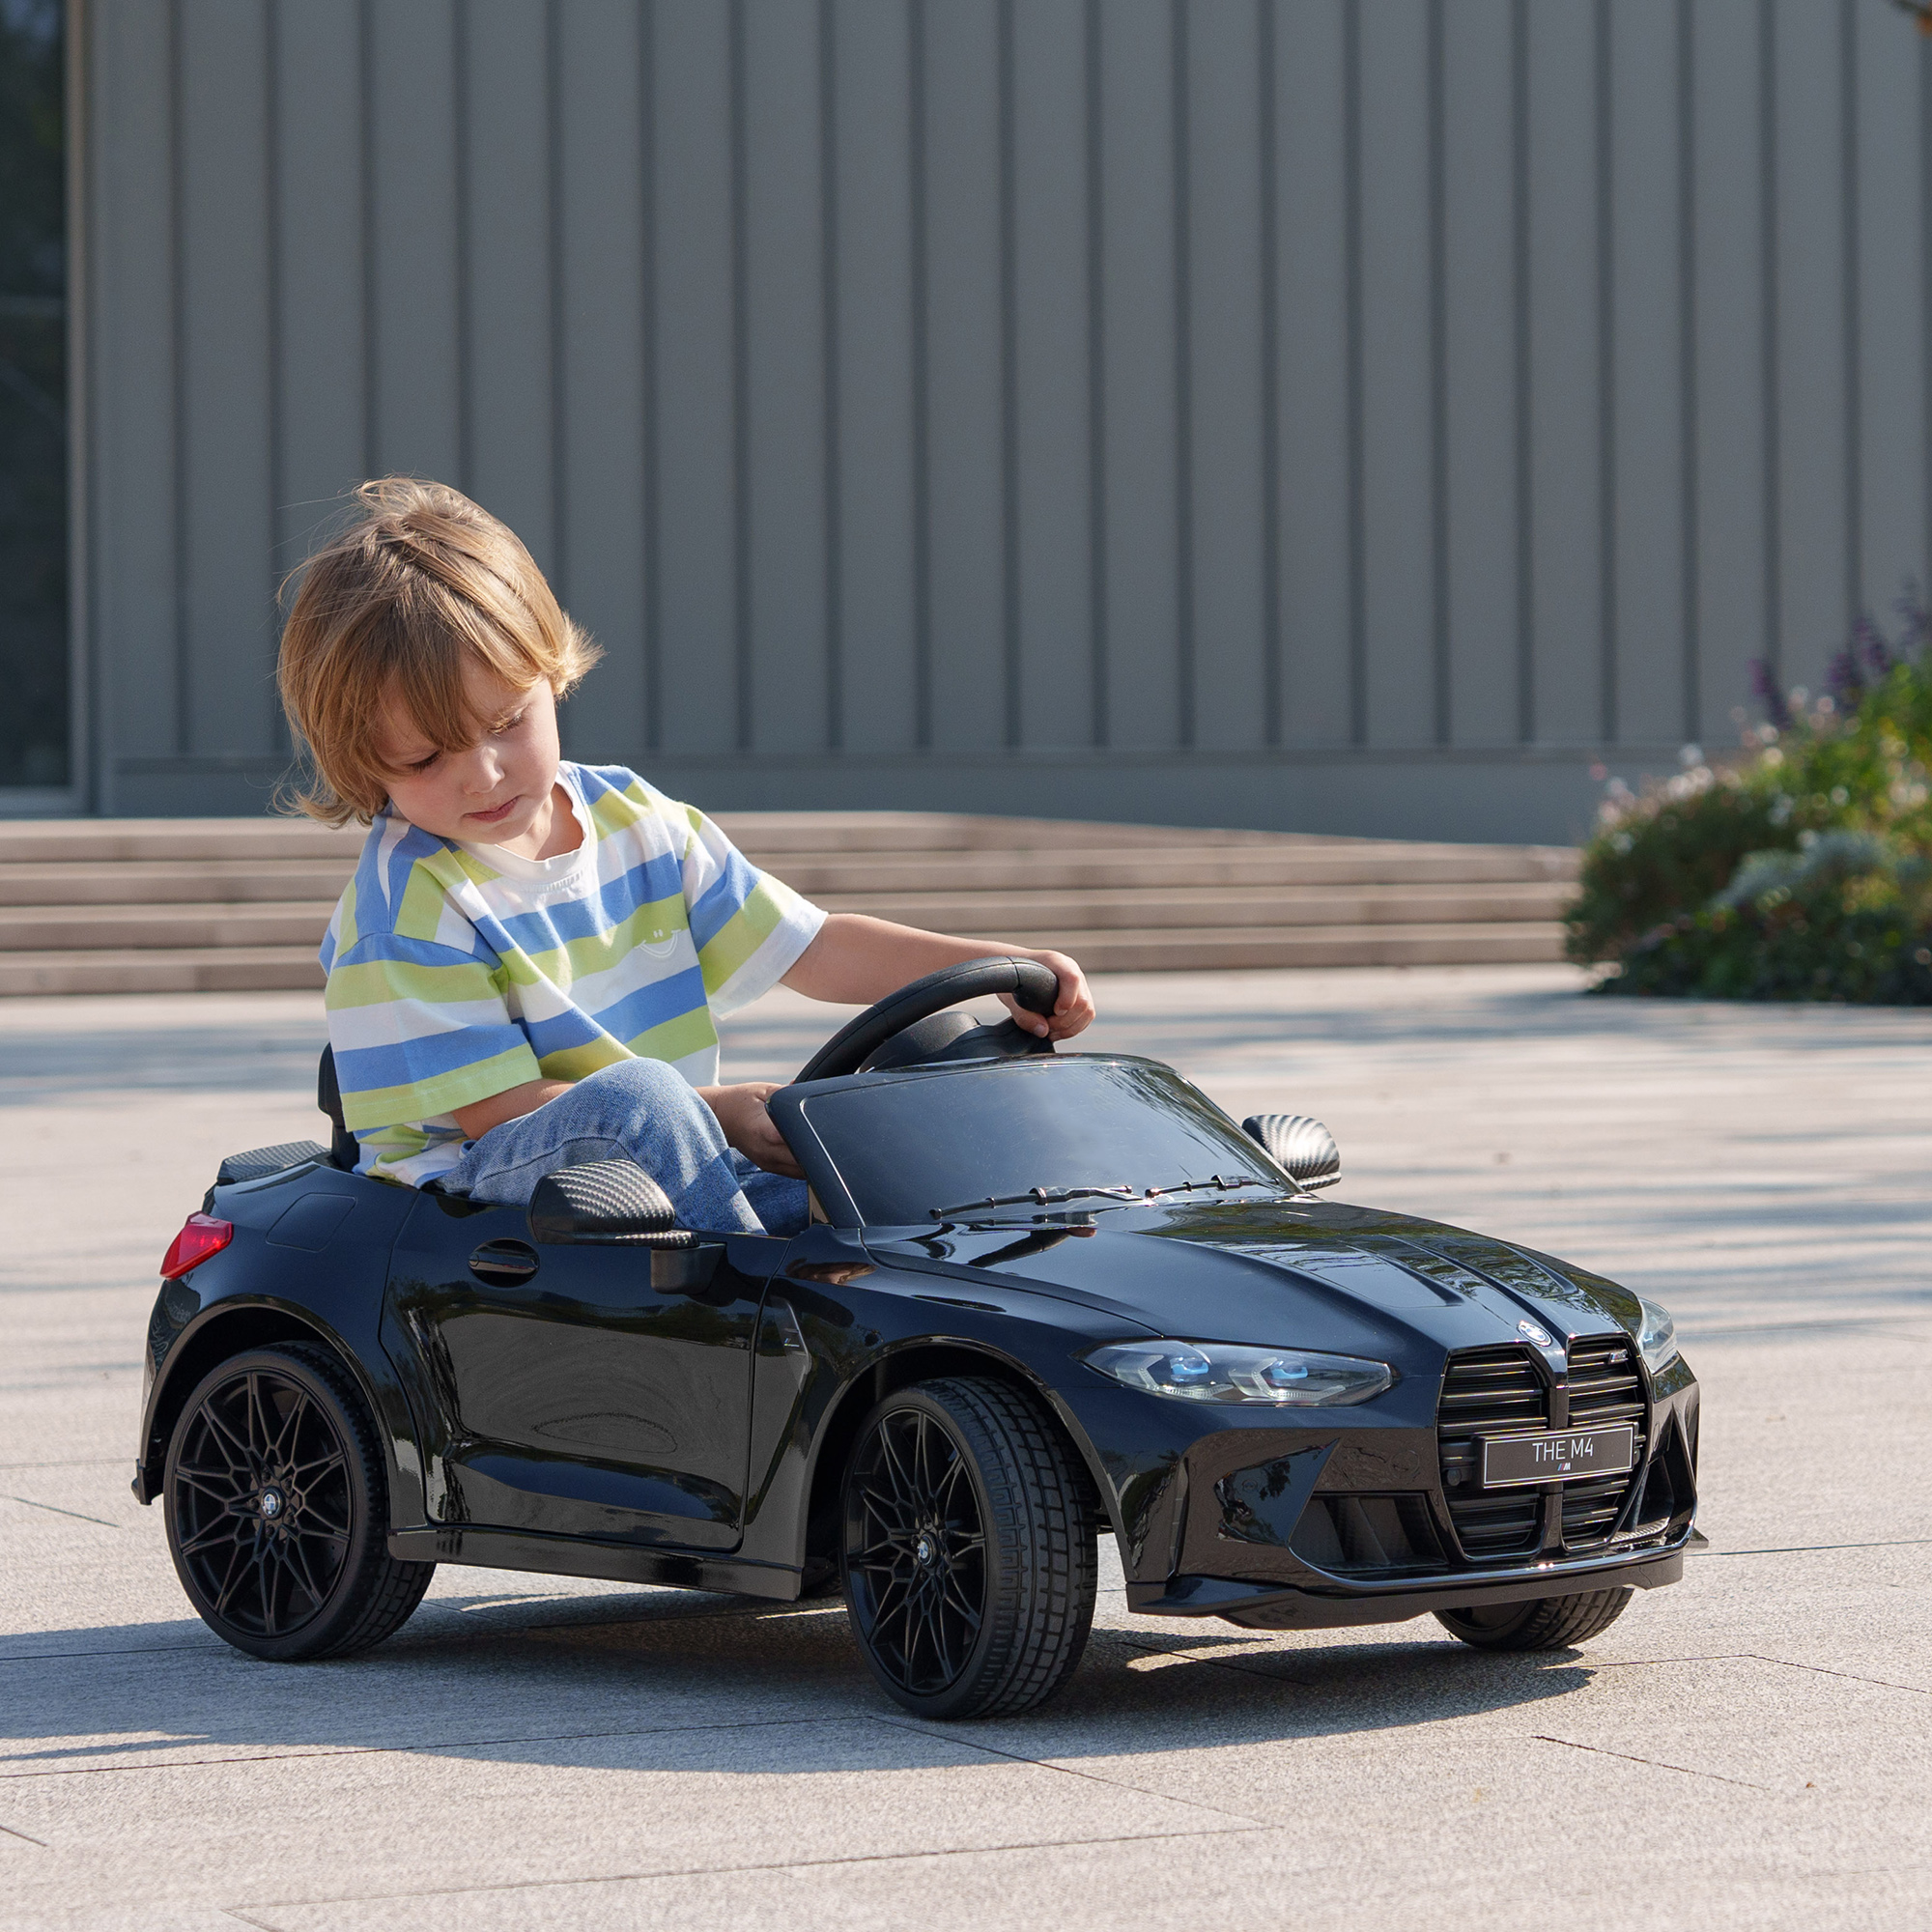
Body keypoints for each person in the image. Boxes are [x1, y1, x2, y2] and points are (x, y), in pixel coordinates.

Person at [276, 477, 1094, 1237]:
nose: (483, 775)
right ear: (364, 760)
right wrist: (716, 1112)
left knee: (928, 1068)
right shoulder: (410, 907)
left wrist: (997, 965)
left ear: (548, 675)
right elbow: (499, 1113)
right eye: (426, 759)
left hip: (668, 1153)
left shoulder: (634, 819)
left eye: (504, 724)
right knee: (639, 1095)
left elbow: (812, 947)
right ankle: (755, 1305)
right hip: (471, 1185)